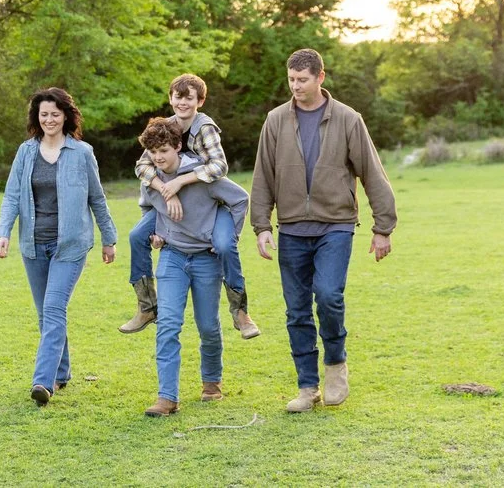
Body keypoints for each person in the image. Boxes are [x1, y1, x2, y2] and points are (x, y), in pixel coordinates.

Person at [250, 48, 397, 413]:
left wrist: (383, 228)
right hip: (293, 228)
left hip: (336, 225)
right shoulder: (276, 120)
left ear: (320, 78)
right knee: (296, 310)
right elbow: (262, 175)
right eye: (291, 80)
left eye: (302, 80)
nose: (296, 87)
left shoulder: (348, 119)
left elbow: (372, 172)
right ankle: (306, 386)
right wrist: (261, 226)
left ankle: (335, 366)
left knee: (329, 296)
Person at [0, 87, 118, 406]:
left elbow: (97, 198)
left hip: (71, 245)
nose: (49, 119)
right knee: (46, 314)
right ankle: (61, 373)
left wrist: (109, 238)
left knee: (53, 308)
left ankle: (43, 382)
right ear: (37, 118)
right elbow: (11, 196)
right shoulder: (26, 152)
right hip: (33, 244)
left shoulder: (82, 152)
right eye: (43, 114)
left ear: (66, 116)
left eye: (55, 114)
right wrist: (3, 233)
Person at [121, 74, 260, 340]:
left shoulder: (204, 126)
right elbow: (142, 165)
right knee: (137, 236)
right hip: (170, 199)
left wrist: (181, 182)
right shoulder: (166, 125)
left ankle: (240, 311)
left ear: (200, 100)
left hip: (209, 198)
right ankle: (147, 305)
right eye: (177, 96)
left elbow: (219, 167)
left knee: (224, 245)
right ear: (170, 98)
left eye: (189, 97)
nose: (182, 102)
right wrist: (167, 190)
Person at [136, 117, 250, 417]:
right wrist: (157, 233)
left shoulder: (203, 176)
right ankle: (167, 397)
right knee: (169, 325)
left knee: (208, 326)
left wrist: (227, 237)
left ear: (177, 146)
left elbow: (240, 200)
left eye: (164, 150)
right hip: (172, 258)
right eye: (154, 153)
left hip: (205, 259)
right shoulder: (152, 180)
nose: (159, 158)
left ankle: (211, 381)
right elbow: (149, 209)